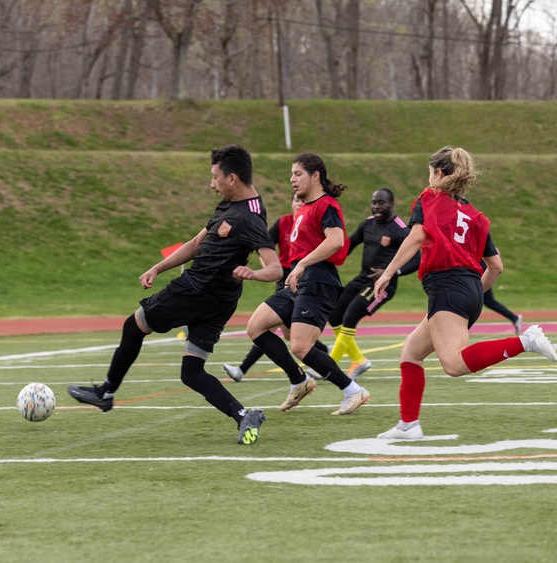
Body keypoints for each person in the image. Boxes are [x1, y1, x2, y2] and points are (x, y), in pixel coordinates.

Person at [67, 144, 281, 445]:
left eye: (215, 177)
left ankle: (106, 393)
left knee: (134, 325)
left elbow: (275, 269)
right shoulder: (232, 205)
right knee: (191, 371)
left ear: (232, 178)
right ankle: (243, 414)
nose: (212, 184)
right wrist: (159, 267)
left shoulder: (250, 217)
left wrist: (254, 273)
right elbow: (196, 243)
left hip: (196, 290)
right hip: (219, 299)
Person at [372, 146, 557, 439]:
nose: (428, 178)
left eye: (430, 172)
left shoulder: (429, 198)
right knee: (412, 352)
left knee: (454, 365)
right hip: (470, 289)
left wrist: (387, 272)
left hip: (447, 287)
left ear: (439, 173)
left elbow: (417, 236)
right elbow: (495, 267)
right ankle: (408, 425)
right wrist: (472, 294)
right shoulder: (475, 216)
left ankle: (525, 341)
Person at [243, 152, 371, 416]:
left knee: (301, 346)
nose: (292, 179)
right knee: (255, 326)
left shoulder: (327, 205)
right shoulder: (304, 209)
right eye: (291, 174)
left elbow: (336, 240)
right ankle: (299, 381)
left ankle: (352, 390)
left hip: (318, 282)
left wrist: (301, 264)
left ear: (315, 176)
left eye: (297, 173)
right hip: (298, 282)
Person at [222, 194, 328, 381]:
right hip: (284, 279)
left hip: (303, 278)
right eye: (296, 200)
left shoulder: (312, 223)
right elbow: (263, 244)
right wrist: (269, 268)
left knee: (268, 327)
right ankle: (323, 351)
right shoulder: (283, 222)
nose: (299, 204)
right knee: (286, 332)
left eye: (303, 201)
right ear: (291, 203)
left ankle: (242, 369)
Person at [327, 188, 419, 380]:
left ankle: (328, 366)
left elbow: (417, 259)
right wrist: (327, 262)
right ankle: (358, 360)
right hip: (362, 279)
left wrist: (391, 272)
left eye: (381, 202)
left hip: (383, 287)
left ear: (391, 205)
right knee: (334, 314)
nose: (376, 206)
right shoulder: (367, 224)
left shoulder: (401, 229)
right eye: (374, 202)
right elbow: (347, 247)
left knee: (350, 316)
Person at [482, 262, 523, 334]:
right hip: (478, 272)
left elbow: (495, 255)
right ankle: (514, 318)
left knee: (487, 301)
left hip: (479, 273)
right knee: (488, 301)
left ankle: (514, 318)